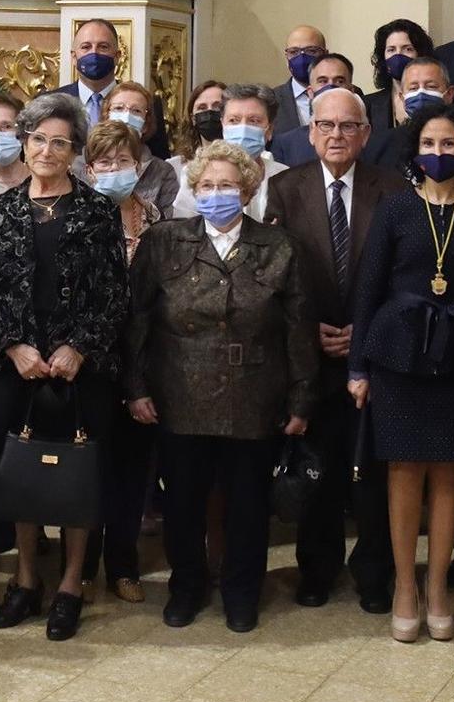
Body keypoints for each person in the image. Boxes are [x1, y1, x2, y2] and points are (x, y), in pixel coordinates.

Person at [127, 139, 316, 633]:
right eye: (207, 185)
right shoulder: (165, 240)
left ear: (248, 189)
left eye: (227, 185)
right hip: (178, 394)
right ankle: (187, 586)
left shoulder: (278, 246)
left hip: (254, 395)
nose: (216, 194)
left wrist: (301, 398)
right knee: (184, 502)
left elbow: (298, 327)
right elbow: (137, 319)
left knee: (248, 505)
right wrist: (136, 386)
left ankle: (241, 591)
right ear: (194, 189)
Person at [0, 93, 129, 641]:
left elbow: (114, 292)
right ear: (24, 141)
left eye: (61, 142)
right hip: (18, 368)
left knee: (78, 476)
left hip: (79, 370)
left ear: (76, 151)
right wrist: (13, 346)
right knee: (22, 473)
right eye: (39, 138)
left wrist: (80, 347)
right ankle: (26, 579)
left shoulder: (99, 211)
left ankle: (71, 584)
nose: (48, 150)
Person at [264, 85, 409, 612]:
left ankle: (374, 571)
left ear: (366, 134)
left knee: (371, 474)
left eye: (349, 126)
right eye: (326, 125)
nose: (337, 135)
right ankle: (316, 569)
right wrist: (311, 332)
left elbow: (402, 273)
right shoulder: (284, 189)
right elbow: (274, 275)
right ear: (311, 132)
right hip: (309, 356)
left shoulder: (393, 189)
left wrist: (363, 334)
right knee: (318, 472)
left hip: (372, 354)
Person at [348, 104, 454, 644]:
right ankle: (405, 584)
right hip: (397, 356)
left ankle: (438, 588)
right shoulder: (396, 208)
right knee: (403, 471)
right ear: (414, 149)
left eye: (449, 144)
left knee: (450, 472)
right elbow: (368, 289)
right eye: (429, 143)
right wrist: (358, 365)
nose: (439, 153)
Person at [81, 119, 163, 602]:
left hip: (145, 366)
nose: (115, 169)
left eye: (123, 160)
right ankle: (84, 562)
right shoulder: (79, 217)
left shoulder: (155, 218)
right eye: (105, 162)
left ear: (139, 165)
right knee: (90, 465)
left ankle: (124, 564)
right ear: (90, 170)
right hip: (92, 363)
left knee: (134, 471)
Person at [172, 83, 287, 219]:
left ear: (269, 130)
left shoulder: (285, 177)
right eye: (234, 120)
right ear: (223, 125)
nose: (243, 128)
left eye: (254, 121)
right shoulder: (198, 173)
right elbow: (183, 227)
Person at [91, 80, 178, 214]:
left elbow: (169, 225)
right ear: (106, 115)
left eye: (136, 111)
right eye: (119, 108)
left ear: (145, 124)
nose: (126, 116)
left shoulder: (162, 171)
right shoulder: (80, 164)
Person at [367, 57, 454, 172]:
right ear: (402, 98)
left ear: (449, 94)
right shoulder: (379, 147)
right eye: (413, 88)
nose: (421, 93)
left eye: (431, 86)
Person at [270, 51, 353, 168]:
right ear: (310, 92)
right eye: (323, 81)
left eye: (339, 81)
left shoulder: (373, 141)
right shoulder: (285, 144)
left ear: (351, 90)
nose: (331, 87)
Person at [366, 18, 435, 135]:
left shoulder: (435, 99)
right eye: (391, 50)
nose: (398, 55)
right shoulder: (368, 104)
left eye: (407, 49)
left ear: (420, 54)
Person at [274, 23, 329, 130]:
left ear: (325, 55)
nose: (302, 58)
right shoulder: (271, 100)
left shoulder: (347, 92)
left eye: (311, 50)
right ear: (287, 58)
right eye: (294, 52)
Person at [171, 79, 227, 164]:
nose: (210, 112)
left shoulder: (244, 163)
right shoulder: (175, 167)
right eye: (202, 107)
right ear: (192, 118)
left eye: (217, 106)